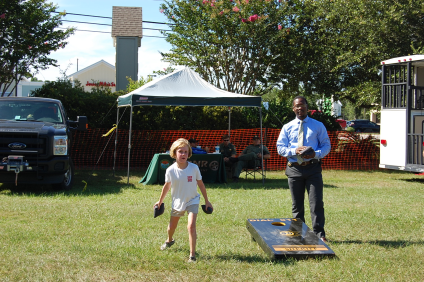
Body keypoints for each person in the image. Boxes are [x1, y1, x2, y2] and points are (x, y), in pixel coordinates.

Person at [276, 96, 331, 242]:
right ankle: (298, 234)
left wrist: (316, 154)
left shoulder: (318, 126)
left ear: (307, 106)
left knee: (316, 202)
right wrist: (295, 151)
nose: (300, 108)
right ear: (293, 109)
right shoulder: (287, 127)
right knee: (297, 205)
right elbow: (280, 148)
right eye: (297, 106)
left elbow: (326, 145)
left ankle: (319, 234)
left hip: (313, 168)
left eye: (302, 105)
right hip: (294, 169)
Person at [154, 138, 213, 263]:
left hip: (193, 200)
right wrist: (159, 202)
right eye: (180, 151)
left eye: (186, 152)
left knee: (191, 226)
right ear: (174, 153)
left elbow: (201, 184)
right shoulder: (170, 170)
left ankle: (192, 255)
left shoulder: (194, 168)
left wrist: (207, 201)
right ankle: (169, 240)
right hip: (177, 202)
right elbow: (166, 186)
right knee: (171, 228)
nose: (183, 154)